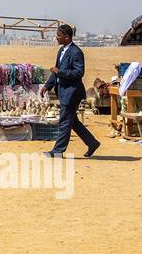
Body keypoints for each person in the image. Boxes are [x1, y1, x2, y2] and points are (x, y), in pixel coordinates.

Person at [41, 23, 99, 158]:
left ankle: (57, 151)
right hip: (63, 91)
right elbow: (55, 71)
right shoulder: (61, 51)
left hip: (72, 93)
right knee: (73, 122)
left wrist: (60, 72)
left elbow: (79, 72)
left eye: (59, 35)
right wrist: (47, 86)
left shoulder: (76, 52)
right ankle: (92, 143)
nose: (56, 38)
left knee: (65, 122)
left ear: (67, 37)